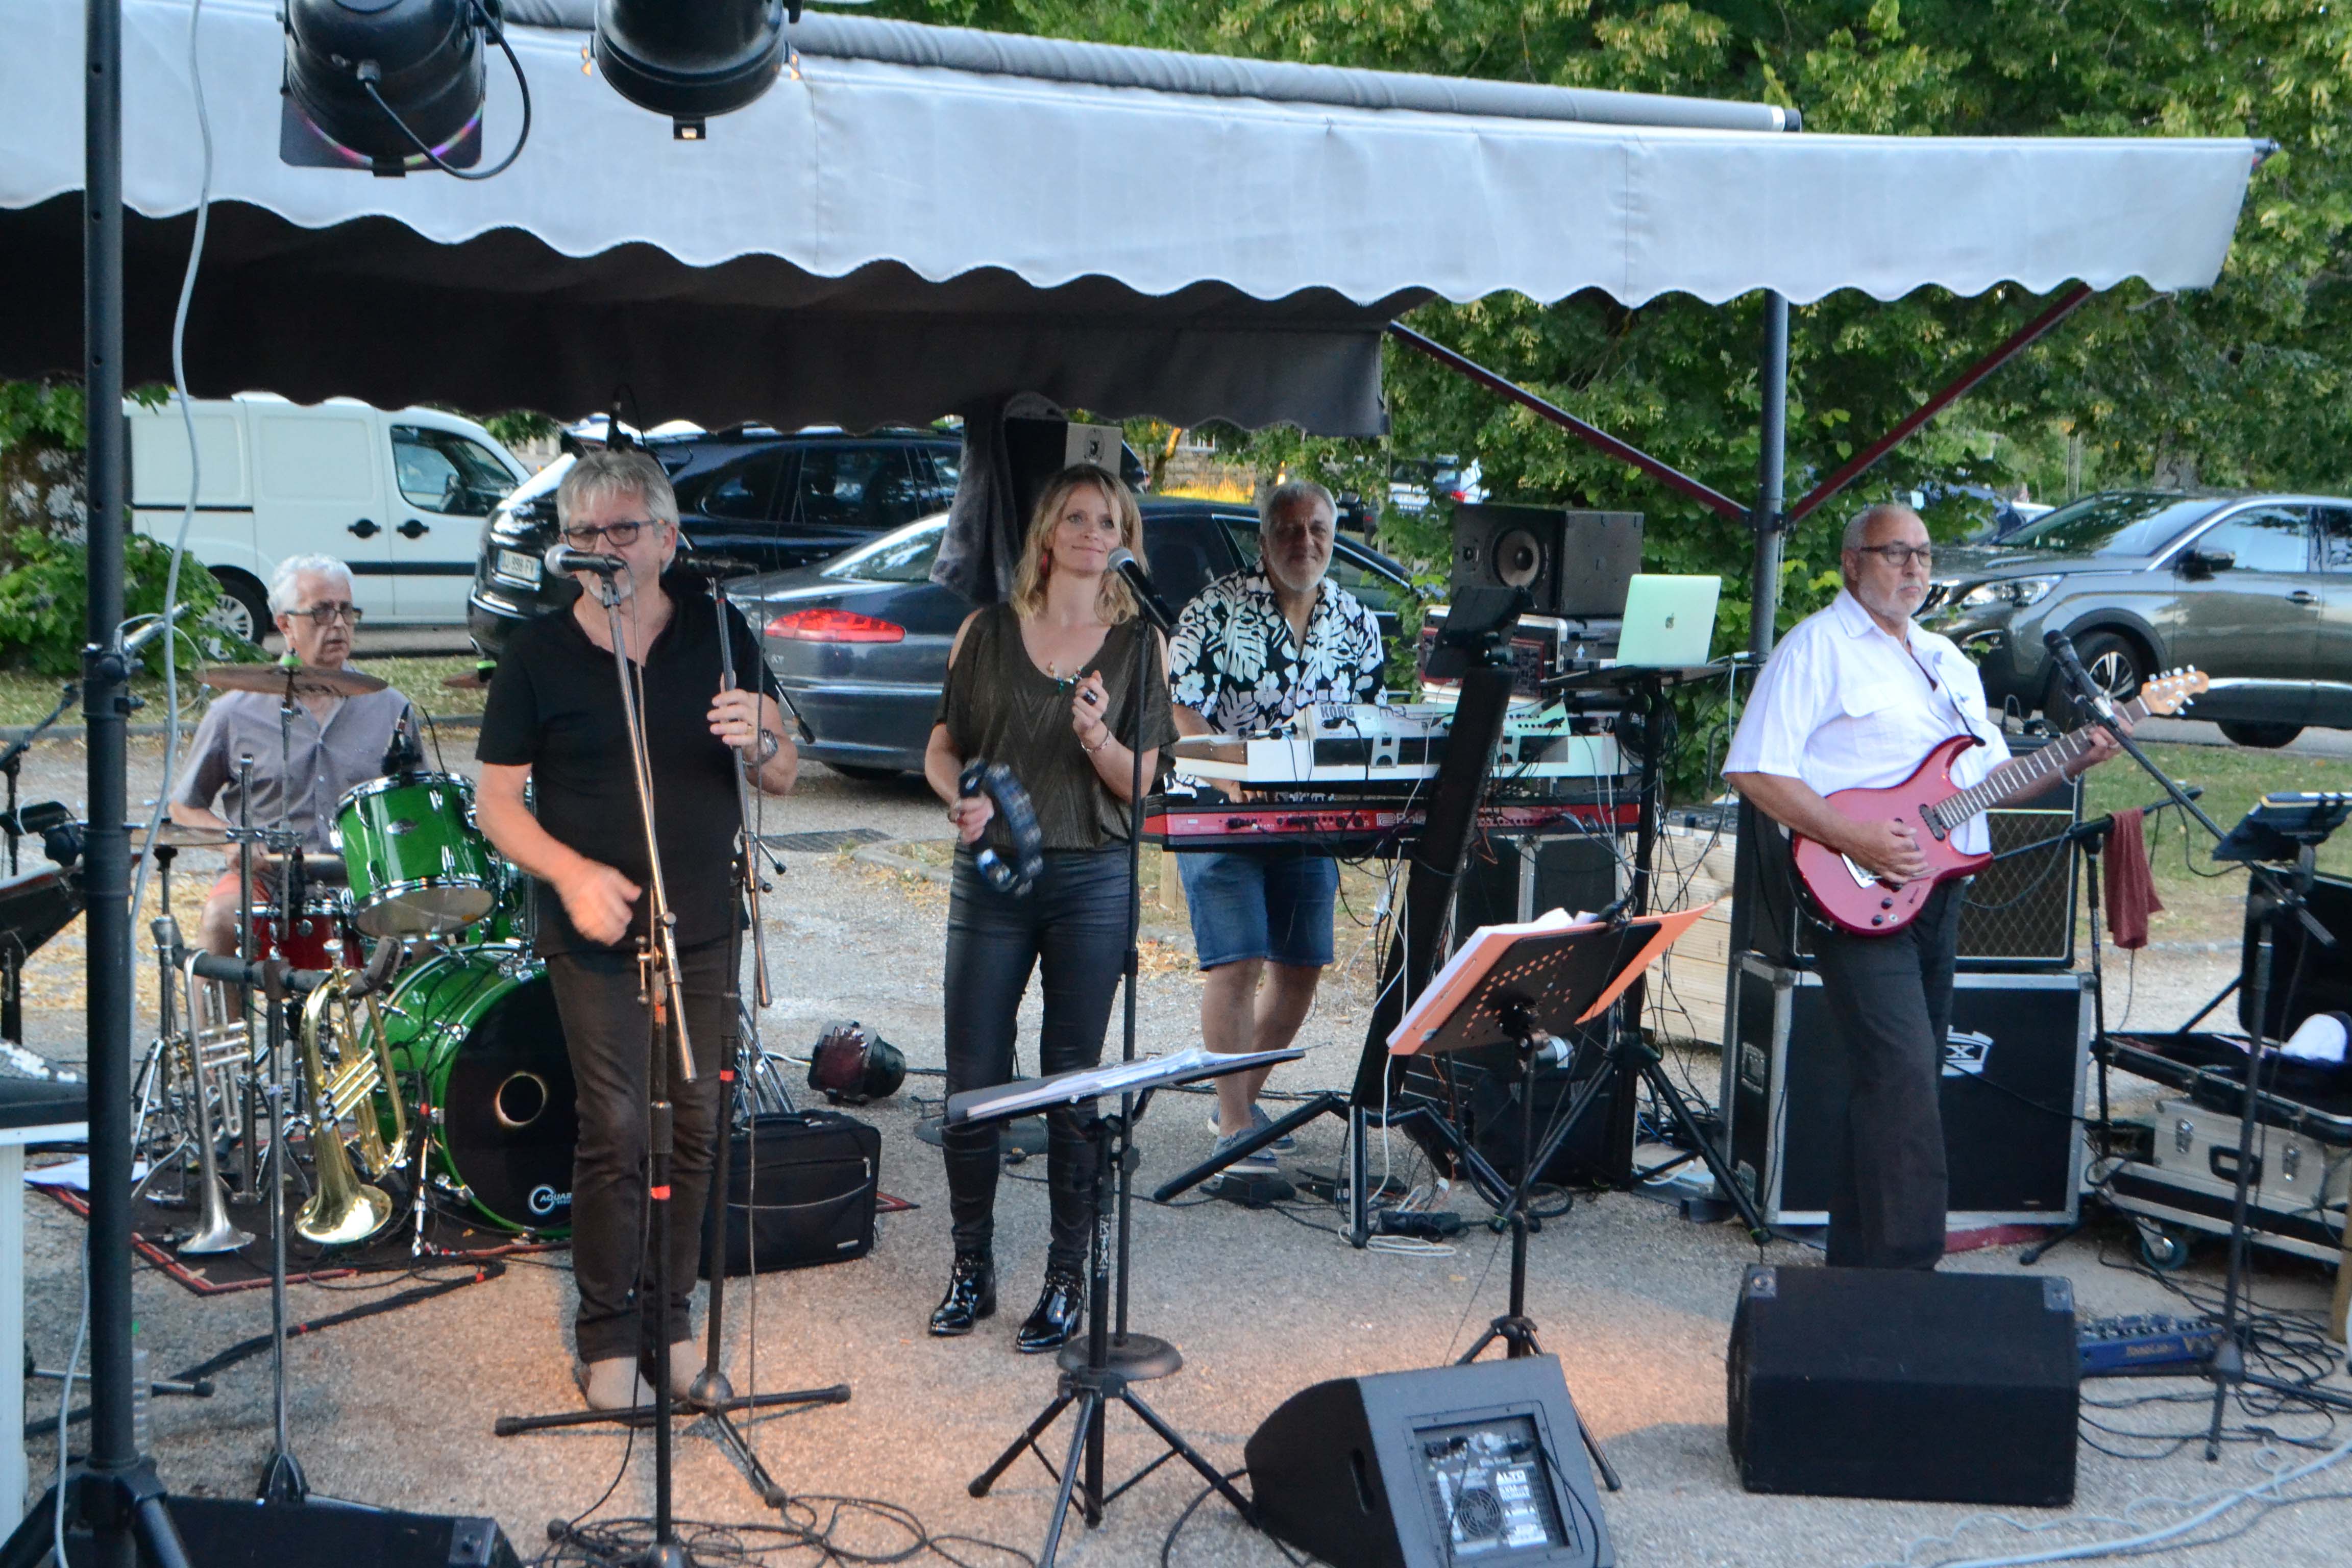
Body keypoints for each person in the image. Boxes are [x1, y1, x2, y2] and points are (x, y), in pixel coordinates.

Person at [473, 450, 796, 1410]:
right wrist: (571, 875)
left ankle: (672, 1323)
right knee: (617, 1124)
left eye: (621, 530)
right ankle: (607, 1332)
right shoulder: (537, 654)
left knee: (695, 1121)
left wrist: (761, 738)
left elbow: (782, 772)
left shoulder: (718, 629)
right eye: (582, 534)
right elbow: (496, 805)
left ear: (666, 538)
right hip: (596, 925)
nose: (601, 549)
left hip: (702, 916)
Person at [1723, 502, 2124, 1269]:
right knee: (1904, 1077)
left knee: (1899, 1083)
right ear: (1853, 563)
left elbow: (1988, 783)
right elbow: (1755, 770)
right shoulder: (1817, 649)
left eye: (1925, 555)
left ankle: (1857, 1275)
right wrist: (1855, 838)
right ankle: (1911, 1276)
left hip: (1940, 893)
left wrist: (2072, 756)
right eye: (1895, 553)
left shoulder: (1947, 661)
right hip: (1856, 891)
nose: (1914, 568)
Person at [922, 463, 1175, 1350]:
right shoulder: (986, 631)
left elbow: (1141, 783)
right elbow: (942, 746)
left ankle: (1067, 1274)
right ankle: (971, 1264)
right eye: (1076, 517)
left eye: (1109, 521)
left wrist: (1098, 736)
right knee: (973, 1077)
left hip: (1092, 879)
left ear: (1125, 539)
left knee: (1072, 1079)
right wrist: (959, 797)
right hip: (992, 877)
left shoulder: (1140, 645)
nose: (1092, 533)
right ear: (1046, 534)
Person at [1166, 480, 1385, 1176]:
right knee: (1236, 961)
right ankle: (1235, 1128)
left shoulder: (1356, 620)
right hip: (1219, 809)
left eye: (1318, 528)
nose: (1305, 542)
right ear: (1263, 541)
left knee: (1302, 966)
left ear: (1334, 536)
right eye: (1289, 529)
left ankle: (1240, 1103)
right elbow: (1182, 710)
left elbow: (1369, 720)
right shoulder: (1213, 609)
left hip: (1308, 818)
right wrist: (1229, 774)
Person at [169, 554, 416, 958]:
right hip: (267, 879)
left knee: (429, 935)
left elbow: (419, 805)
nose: (338, 624)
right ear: (285, 624)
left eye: (347, 611)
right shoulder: (233, 712)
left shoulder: (391, 708)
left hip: (366, 880)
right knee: (220, 918)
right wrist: (233, 841)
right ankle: (223, 1004)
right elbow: (184, 807)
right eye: (322, 612)